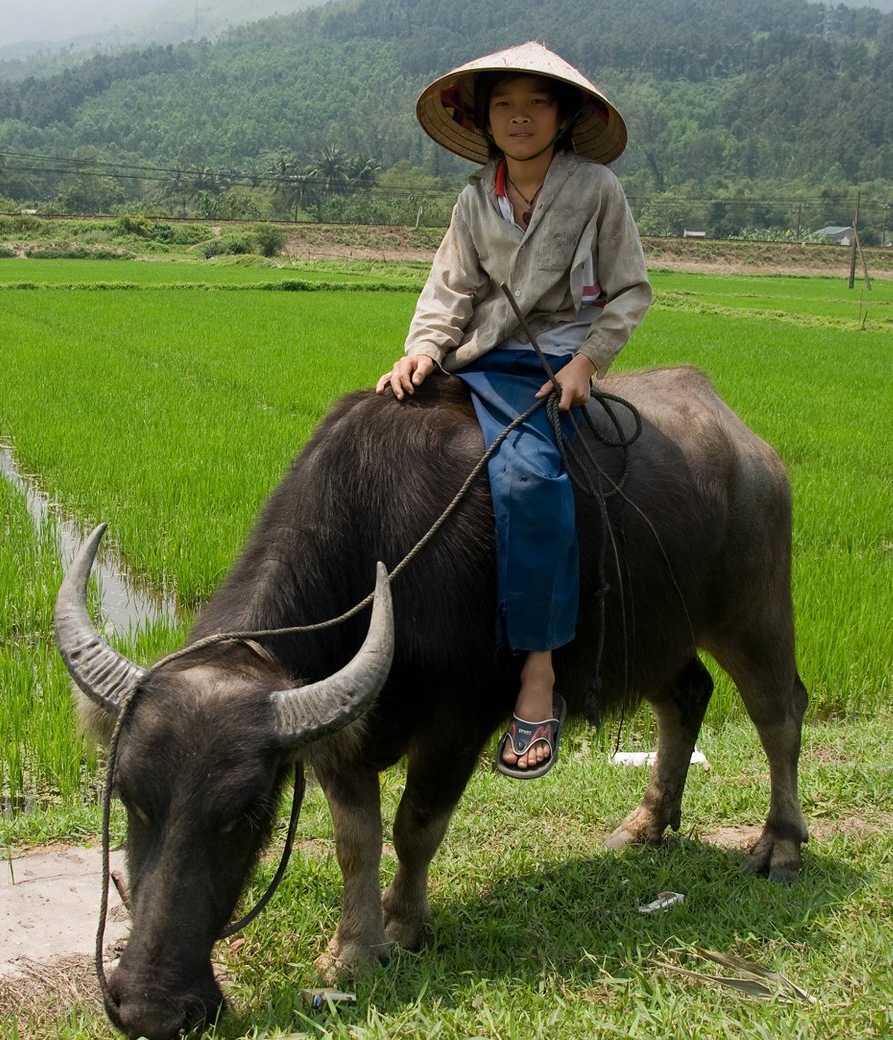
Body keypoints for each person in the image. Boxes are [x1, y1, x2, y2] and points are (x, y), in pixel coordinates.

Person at [375, 41, 651, 779]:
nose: (519, 116)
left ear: (564, 116)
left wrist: (587, 363)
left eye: (535, 103)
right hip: (478, 358)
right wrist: (421, 352)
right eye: (504, 104)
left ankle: (537, 673)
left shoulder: (596, 190)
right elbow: (449, 291)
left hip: (550, 366)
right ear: (484, 119)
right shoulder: (475, 200)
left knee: (530, 483)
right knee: (382, 439)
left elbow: (630, 289)